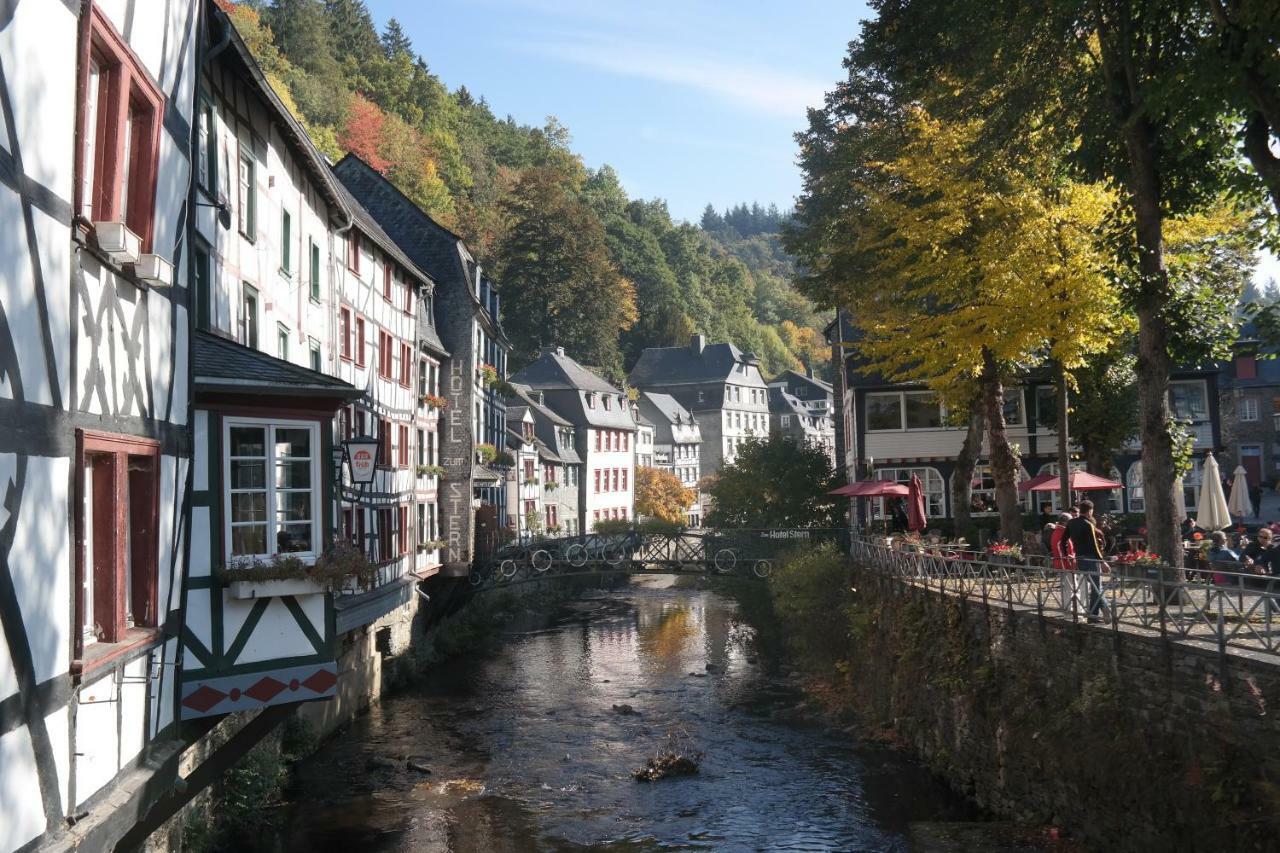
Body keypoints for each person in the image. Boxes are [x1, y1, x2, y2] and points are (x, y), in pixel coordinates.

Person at [1065, 500, 1107, 619]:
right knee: (1096, 587)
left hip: (1079, 558)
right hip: (1091, 559)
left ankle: (1095, 613)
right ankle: (1101, 609)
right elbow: (1094, 546)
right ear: (1090, 511)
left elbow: (1063, 541)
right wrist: (1102, 561)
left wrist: (1066, 554)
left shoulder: (1071, 523)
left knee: (1094, 587)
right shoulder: (1088, 525)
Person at [1050, 511, 1079, 613]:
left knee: (1070, 587)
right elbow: (1061, 548)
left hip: (1065, 564)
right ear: (1065, 522)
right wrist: (1070, 560)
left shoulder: (1061, 531)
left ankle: (1070, 607)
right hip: (1065, 565)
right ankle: (1068, 608)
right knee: (1068, 587)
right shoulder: (1060, 533)